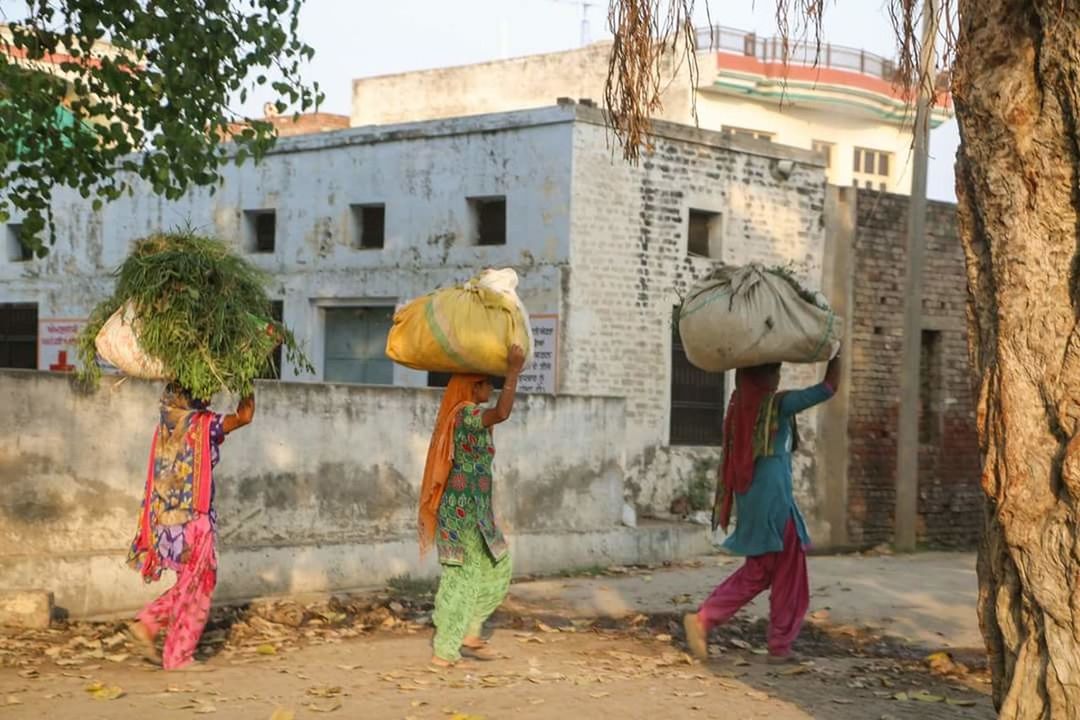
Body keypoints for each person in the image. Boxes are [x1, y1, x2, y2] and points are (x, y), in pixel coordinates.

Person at [684, 352, 842, 664]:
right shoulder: (776, 405)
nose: (779, 376)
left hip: (754, 501)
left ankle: (721, 623)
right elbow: (828, 388)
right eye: (775, 370)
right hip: (774, 505)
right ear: (764, 376)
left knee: (763, 570)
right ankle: (722, 624)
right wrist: (836, 354)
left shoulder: (740, 405)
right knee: (786, 573)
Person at [125, 383, 255, 671]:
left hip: (168, 522)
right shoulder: (203, 425)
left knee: (190, 582)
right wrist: (247, 378)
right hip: (194, 521)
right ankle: (176, 655)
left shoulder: (166, 425)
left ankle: (147, 624)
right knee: (200, 583)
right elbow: (245, 415)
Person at [418, 345, 526, 667]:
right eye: (486, 384)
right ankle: (444, 651)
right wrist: (513, 373)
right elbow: (503, 412)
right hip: (460, 512)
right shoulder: (465, 413)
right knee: (461, 580)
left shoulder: (470, 416)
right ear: (472, 387)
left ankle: (468, 631)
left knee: (496, 566)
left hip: (477, 512)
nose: (490, 389)